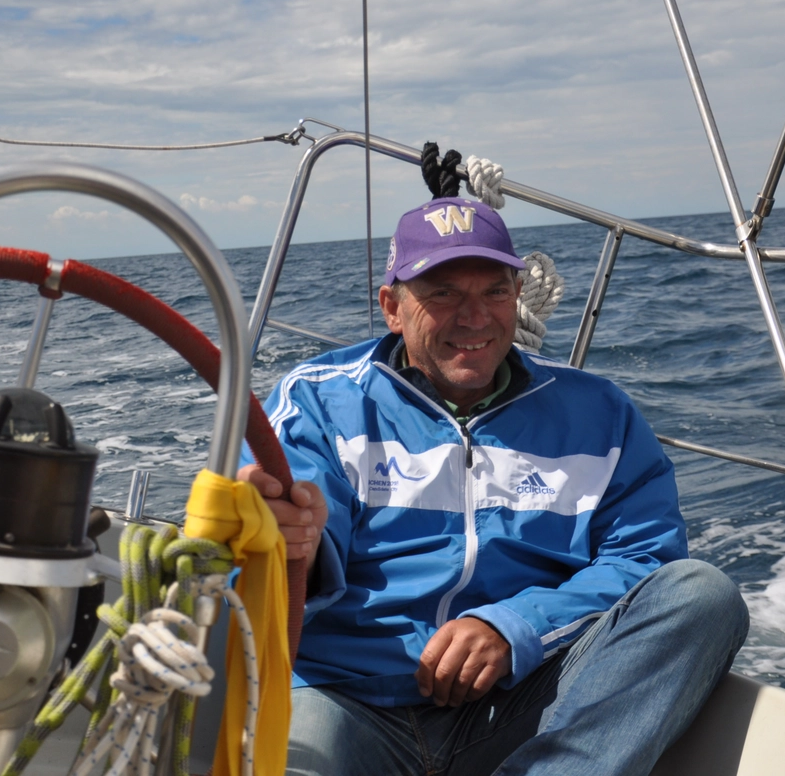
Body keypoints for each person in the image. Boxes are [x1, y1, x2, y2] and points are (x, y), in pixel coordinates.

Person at [238, 194, 748, 776]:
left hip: (523, 699)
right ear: (393, 308)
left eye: (495, 292)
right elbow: (289, 530)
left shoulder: (600, 412)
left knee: (701, 594)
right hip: (347, 697)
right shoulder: (319, 400)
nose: (475, 317)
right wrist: (288, 536)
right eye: (443, 293)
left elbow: (645, 557)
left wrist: (515, 625)